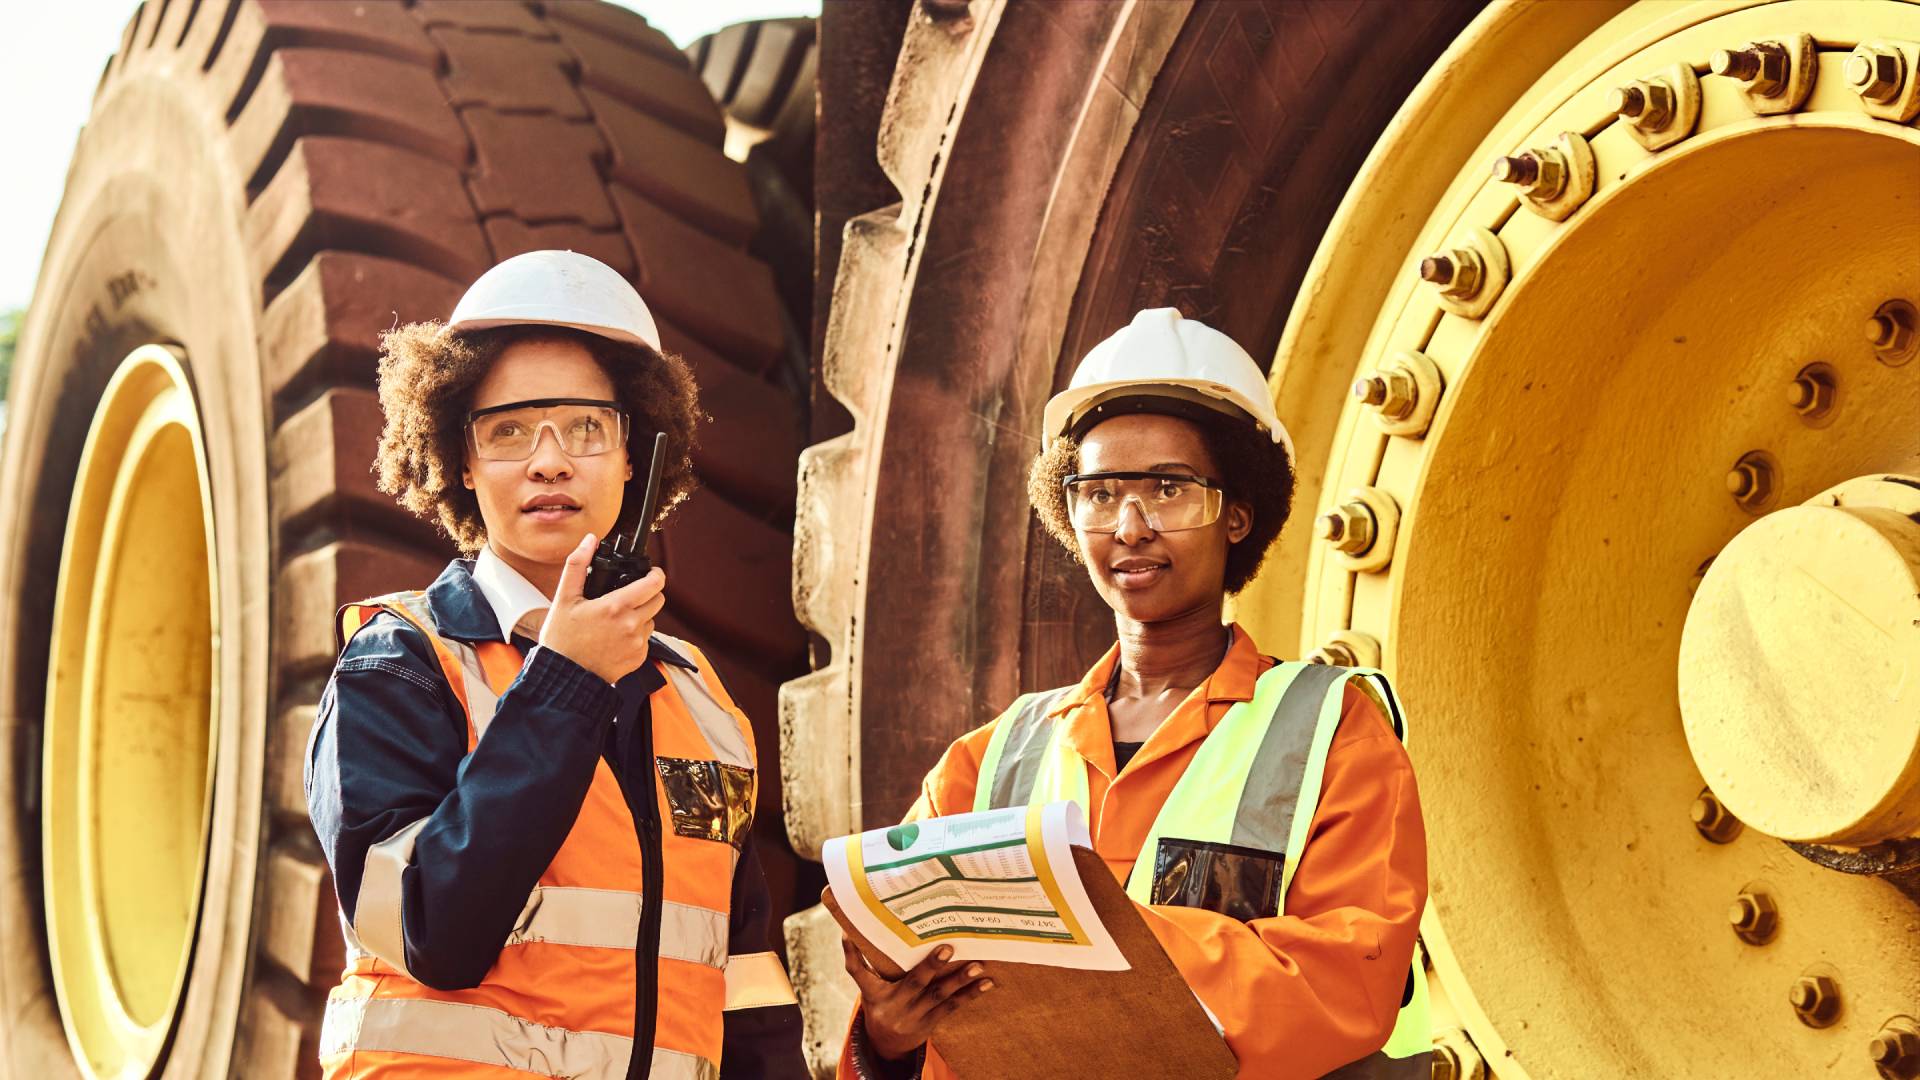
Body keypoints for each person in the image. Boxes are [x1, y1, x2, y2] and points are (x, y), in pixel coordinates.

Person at [837, 308, 1431, 1079]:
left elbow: (1353, 977)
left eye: (1169, 489)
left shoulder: (1332, 731)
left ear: (1239, 515)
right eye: (1101, 492)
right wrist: (889, 1038)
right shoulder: (987, 762)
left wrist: (1108, 949)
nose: (1131, 525)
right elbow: (924, 1011)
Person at [305, 250, 808, 1080]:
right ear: (460, 461)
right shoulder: (396, 666)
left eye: (586, 428)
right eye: (508, 431)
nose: (550, 462)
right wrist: (566, 685)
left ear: (635, 455)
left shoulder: (699, 700)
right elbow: (432, 929)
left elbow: (741, 988)